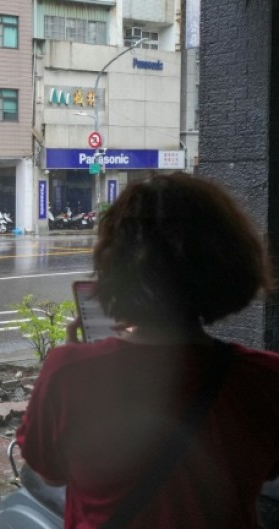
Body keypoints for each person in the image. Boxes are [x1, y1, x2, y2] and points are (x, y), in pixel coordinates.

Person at [17, 174, 279, 529]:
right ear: (230, 260)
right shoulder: (265, 378)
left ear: (115, 268)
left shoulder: (69, 372)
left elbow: (49, 475)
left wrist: (77, 360)